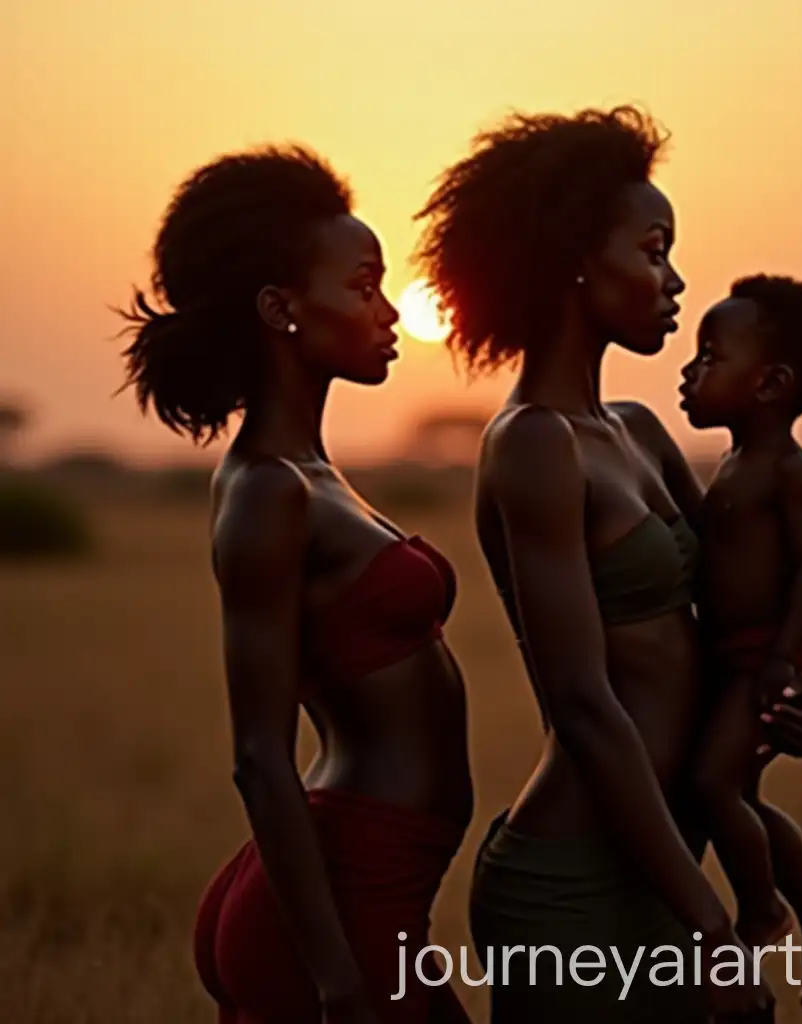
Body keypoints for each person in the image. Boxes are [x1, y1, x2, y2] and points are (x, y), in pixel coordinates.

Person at [413, 106, 802, 1022]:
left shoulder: (638, 433)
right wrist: (711, 933)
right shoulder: (534, 445)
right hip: (572, 886)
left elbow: (734, 607)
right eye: (654, 249)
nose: (676, 280)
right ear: (578, 259)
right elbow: (583, 705)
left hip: (666, 866)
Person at [116, 145, 473, 1024]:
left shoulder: (308, 470)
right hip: (340, 908)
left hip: (376, 888)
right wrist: (335, 976)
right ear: (280, 308)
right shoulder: (269, 490)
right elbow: (258, 755)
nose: (390, 311)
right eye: (362, 285)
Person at [680, 276, 802, 1010]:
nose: (689, 372)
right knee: (741, 796)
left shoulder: (788, 469)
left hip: (770, 657)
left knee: (710, 787)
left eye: (709, 356)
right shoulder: (727, 466)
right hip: (740, 657)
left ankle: (766, 911)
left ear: (771, 383)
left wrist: (785, 657)